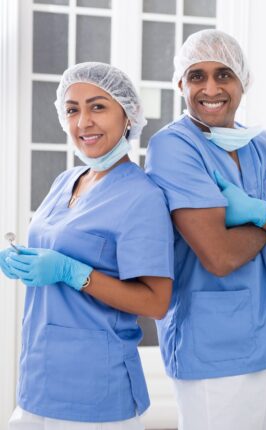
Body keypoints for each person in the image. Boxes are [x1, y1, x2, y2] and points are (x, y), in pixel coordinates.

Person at [145, 29, 266, 429]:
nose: (211, 87)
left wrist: (256, 211)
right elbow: (219, 256)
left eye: (224, 74)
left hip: (263, 338)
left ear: (243, 82)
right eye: (197, 76)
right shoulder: (174, 147)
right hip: (207, 342)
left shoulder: (261, 143)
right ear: (180, 84)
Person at [0, 62, 174, 429]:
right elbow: (55, 245)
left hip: (97, 388)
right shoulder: (67, 180)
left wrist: (72, 272)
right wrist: (23, 259)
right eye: (72, 109)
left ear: (128, 115)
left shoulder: (141, 196)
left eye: (98, 107)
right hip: (39, 377)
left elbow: (156, 302)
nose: (83, 122)